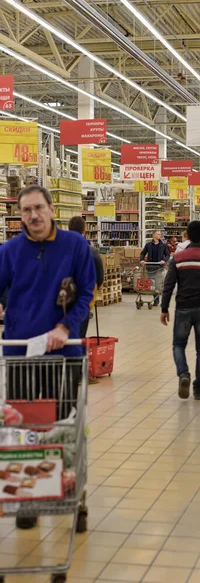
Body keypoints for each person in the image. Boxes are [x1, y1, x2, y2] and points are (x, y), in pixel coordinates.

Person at [0, 185, 96, 529]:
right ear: (20, 214)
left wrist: (66, 327)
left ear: (52, 208)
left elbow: (86, 291)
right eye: (26, 210)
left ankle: (71, 493)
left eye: (38, 208)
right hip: (21, 352)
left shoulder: (75, 246)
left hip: (64, 353)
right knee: (23, 426)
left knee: (63, 426)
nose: (33, 216)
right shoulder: (9, 251)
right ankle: (29, 496)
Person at [161, 221, 200, 400]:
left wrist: (164, 308)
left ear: (187, 236)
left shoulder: (178, 258)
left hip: (183, 307)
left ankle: (183, 374)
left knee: (178, 345)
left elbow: (168, 285)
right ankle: (198, 388)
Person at [68, 216, 104, 338]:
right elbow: (99, 277)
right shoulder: (91, 251)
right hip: (84, 298)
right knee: (79, 334)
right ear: (84, 231)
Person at [140, 230, 170, 306]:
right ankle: (156, 300)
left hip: (159, 267)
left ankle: (160, 301)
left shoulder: (163, 245)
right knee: (153, 285)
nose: (159, 235)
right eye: (157, 234)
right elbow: (143, 253)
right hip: (150, 267)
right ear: (153, 235)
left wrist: (164, 260)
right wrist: (142, 260)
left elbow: (167, 255)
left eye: (160, 234)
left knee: (158, 285)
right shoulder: (148, 245)